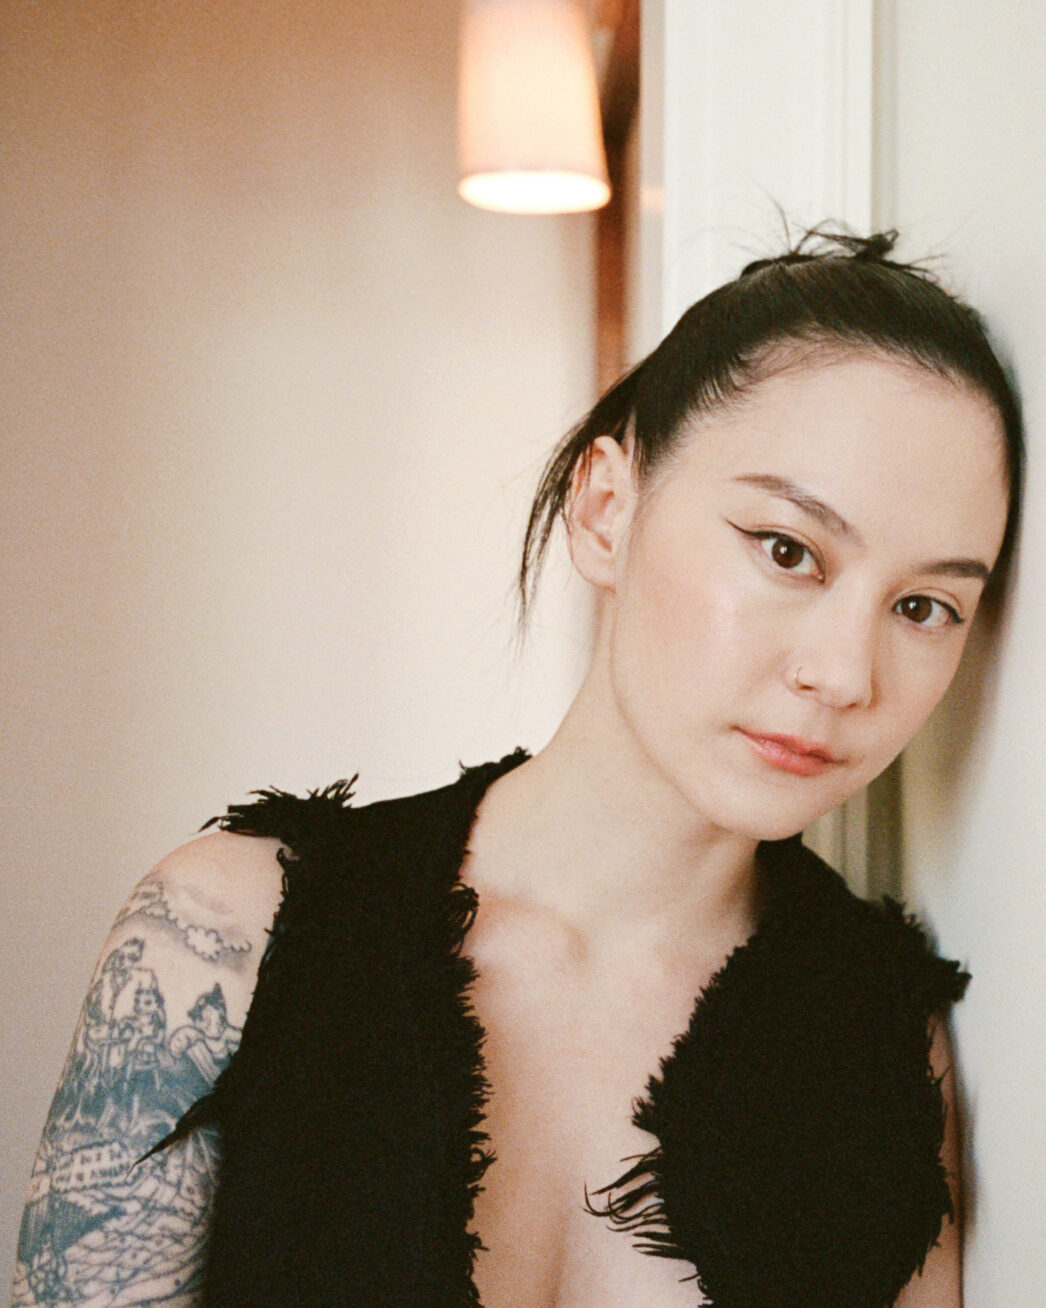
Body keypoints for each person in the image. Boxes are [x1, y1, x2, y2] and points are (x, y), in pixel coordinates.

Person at [12, 227, 1022, 1308]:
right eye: (785, 550)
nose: (841, 673)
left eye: (922, 607)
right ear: (605, 511)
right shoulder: (221, 939)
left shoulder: (871, 1046)